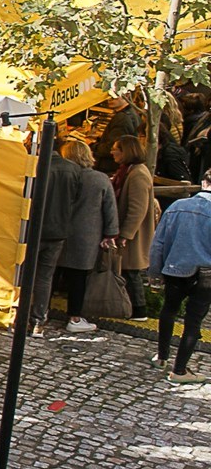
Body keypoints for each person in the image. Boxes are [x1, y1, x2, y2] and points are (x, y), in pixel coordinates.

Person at [150, 167, 211, 377]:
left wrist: (155, 273)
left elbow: (158, 243)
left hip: (174, 269)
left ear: (204, 183)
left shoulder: (178, 206)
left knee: (169, 310)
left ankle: (162, 357)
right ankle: (180, 370)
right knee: (193, 322)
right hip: (205, 274)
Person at [56, 140, 120, 334]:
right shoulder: (100, 179)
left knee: (50, 274)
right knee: (79, 278)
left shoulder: (62, 175)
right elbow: (110, 209)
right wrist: (111, 234)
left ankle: (37, 313)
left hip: (58, 231)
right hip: (86, 235)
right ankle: (74, 317)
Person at [110, 134, 159, 319]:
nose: (112, 151)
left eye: (117, 148)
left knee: (131, 271)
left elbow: (137, 209)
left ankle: (139, 309)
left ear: (127, 151)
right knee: (129, 270)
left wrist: (125, 234)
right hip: (130, 232)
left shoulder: (137, 174)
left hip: (134, 234)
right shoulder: (130, 171)